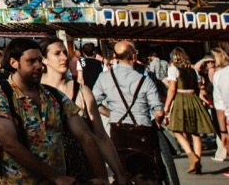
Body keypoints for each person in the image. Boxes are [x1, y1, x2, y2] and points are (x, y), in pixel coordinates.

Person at [0, 38, 106, 185]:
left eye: (39, 60)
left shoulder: (54, 96)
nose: (39, 66)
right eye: (31, 61)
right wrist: (54, 177)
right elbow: (9, 143)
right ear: (13, 63)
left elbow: (86, 136)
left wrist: (101, 177)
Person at [40, 38, 125, 184]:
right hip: (52, 173)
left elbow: (101, 136)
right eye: (57, 54)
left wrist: (119, 172)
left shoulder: (82, 91)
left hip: (85, 171)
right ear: (45, 60)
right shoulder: (36, 91)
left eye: (65, 53)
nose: (64, 58)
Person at [91, 41, 164, 167]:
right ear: (134, 56)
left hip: (117, 129)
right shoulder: (145, 80)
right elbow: (159, 112)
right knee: (145, 172)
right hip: (142, 129)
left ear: (114, 56)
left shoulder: (103, 77)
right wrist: (157, 121)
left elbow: (94, 104)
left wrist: (112, 114)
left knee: (122, 170)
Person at [163, 46, 216, 174]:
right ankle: (197, 163)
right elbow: (199, 87)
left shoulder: (173, 69)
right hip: (193, 98)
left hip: (181, 98)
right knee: (195, 132)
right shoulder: (193, 71)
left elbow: (172, 89)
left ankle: (191, 155)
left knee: (176, 129)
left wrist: (167, 106)